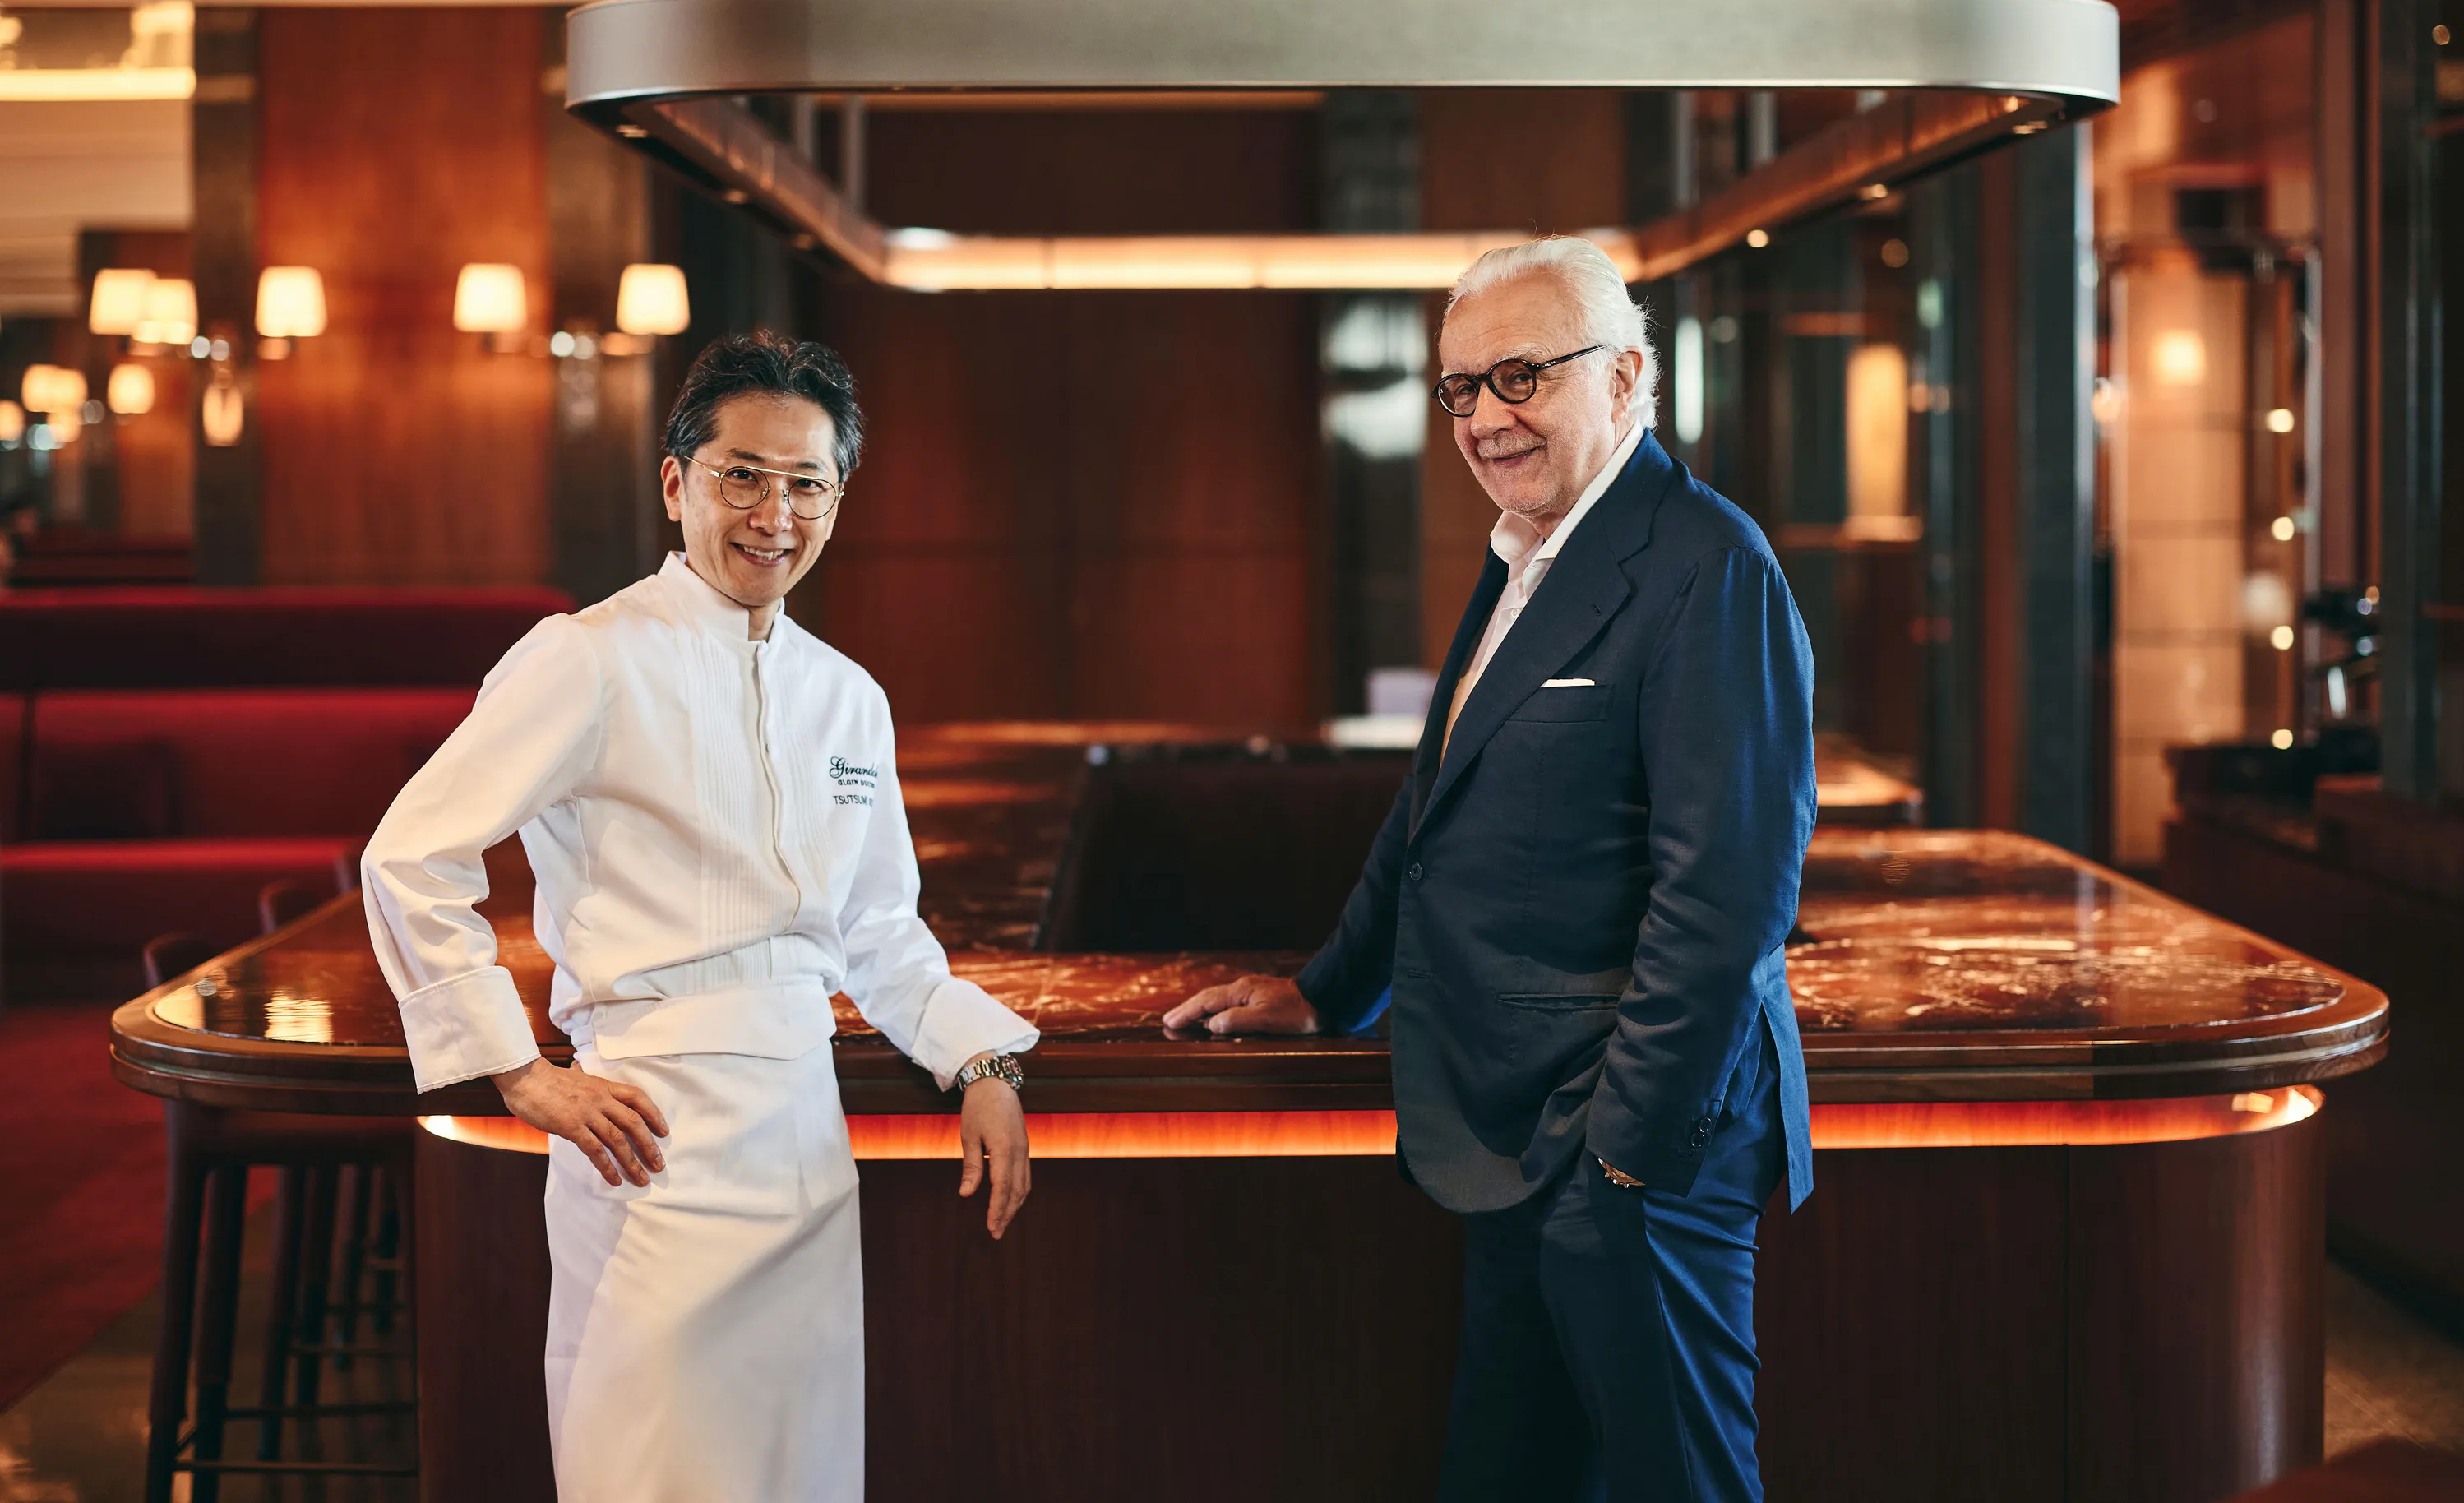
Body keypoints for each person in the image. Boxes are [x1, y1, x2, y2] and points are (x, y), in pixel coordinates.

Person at [1165, 237, 1815, 1503]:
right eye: (1460, 386)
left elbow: (1728, 900)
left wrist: (1625, 1152)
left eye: (1520, 375)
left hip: (1627, 1150)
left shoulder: (1706, 564)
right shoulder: (1533, 543)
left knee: (1677, 1484)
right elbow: (1437, 808)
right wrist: (1327, 990)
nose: (1484, 416)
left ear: (1627, 379)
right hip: (1516, 1133)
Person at [363, 331, 1035, 1503]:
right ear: (675, 483)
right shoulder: (587, 657)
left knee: (799, 1474)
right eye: (743, 475)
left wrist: (981, 1058)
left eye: (806, 483)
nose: (775, 511)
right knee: (653, 1467)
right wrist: (517, 1069)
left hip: (804, 1140)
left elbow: (877, 929)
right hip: (652, 1135)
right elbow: (410, 852)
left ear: (838, 498)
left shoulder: (847, 693)